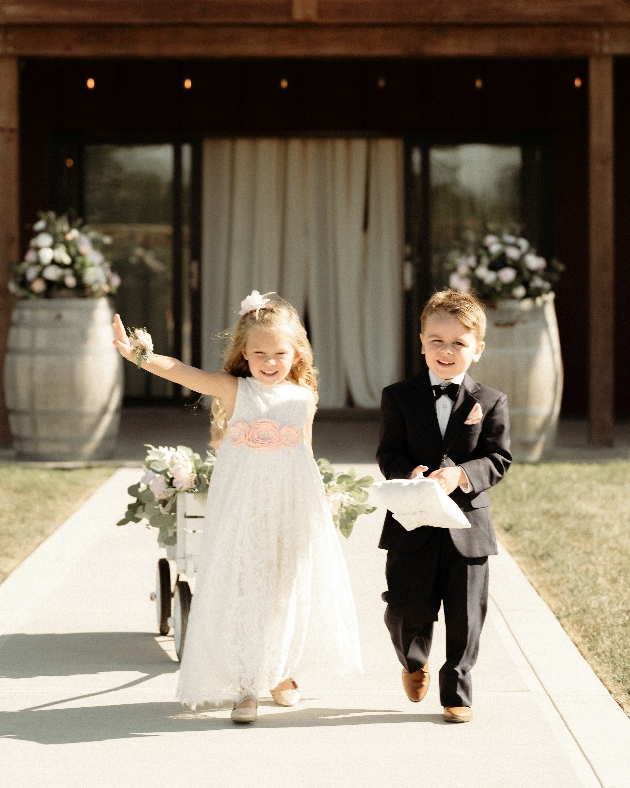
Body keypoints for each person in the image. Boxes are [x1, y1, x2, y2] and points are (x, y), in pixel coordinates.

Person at [113, 291, 362, 723]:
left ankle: (280, 672)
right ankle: (246, 685)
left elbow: (304, 448)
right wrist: (138, 354)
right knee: (247, 583)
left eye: (280, 353)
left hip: (290, 500)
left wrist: (317, 501)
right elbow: (182, 372)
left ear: (297, 352)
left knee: (285, 583)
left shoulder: (304, 396)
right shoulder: (236, 388)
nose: (269, 361)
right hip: (245, 500)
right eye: (260, 352)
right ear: (244, 352)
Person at [376, 289, 511, 723]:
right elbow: (388, 452)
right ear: (421, 342)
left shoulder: (490, 401)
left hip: (467, 526)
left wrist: (462, 475)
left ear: (477, 349)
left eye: (458, 343)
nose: (446, 351)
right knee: (405, 605)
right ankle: (413, 660)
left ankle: (457, 690)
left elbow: (498, 458)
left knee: (466, 613)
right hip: (413, 522)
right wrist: (408, 473)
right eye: (436, 340)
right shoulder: (398, 396)